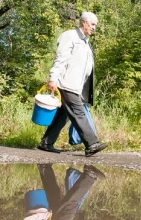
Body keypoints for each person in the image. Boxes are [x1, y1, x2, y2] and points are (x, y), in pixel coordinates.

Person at [38, 11, 108, 156]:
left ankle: (46, 143)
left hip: (75, 85)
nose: (94, 27)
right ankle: (91, 144)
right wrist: (53, 78)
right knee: (78, 112)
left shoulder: (85, 42)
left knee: (63, 115)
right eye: (93, 24)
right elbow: (60, 58)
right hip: (66, 83)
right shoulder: (70, 36)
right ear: (84, 22)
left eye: (95, 25)